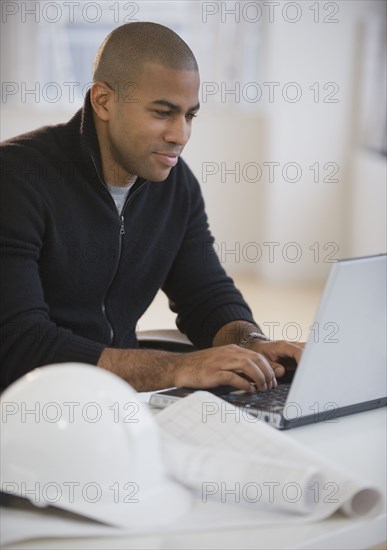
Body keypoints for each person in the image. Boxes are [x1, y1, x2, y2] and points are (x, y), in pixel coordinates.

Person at [0, 22, 303, 393]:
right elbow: (20, 346)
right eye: (163, 113)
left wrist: (251, 344)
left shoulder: (176, 184)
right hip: (32, 404)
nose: (180, 135)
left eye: (189, 115)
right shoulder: (15, 178)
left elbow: (206, 294)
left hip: (119, 400)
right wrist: (179, 368)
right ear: (103, 101)